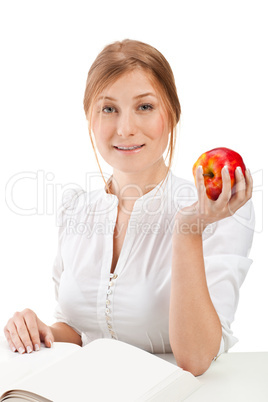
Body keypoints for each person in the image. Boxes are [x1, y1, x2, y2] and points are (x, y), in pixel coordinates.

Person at [3, 39, 254, 376]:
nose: (125, 128)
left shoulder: (218, 212)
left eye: (145, 107)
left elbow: (197, 359)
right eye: (108, 109)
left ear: (173, 113)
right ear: (90, 119)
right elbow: (80, 332)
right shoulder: (75, 209)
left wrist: (187, 229)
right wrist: (41, 332)